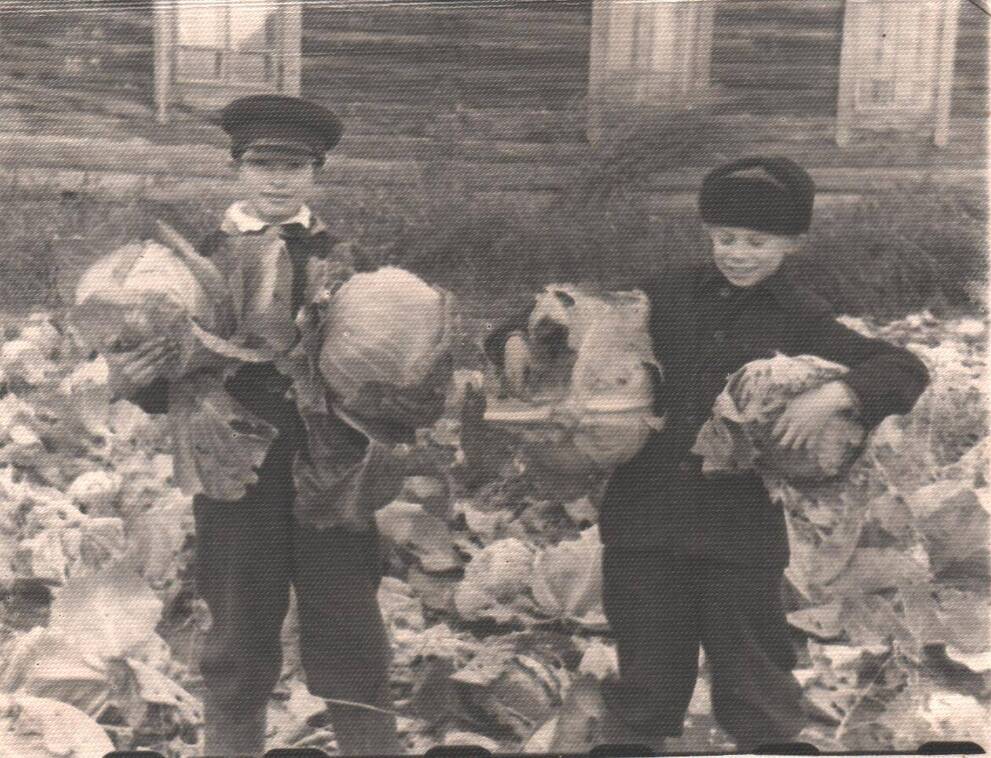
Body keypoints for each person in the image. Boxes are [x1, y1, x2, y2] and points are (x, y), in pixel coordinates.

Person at [485, 156, 930, 751]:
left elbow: (904, 368)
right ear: (707, 233)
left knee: (756, 688)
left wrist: (835, 393)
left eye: (756, 241)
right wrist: (515, 337)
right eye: (725, 238)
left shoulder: (801, 314)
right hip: (643, 522)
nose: (738, 253)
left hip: (738, 534)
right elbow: (565, 306)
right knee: (644, 684)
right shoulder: (664, 291)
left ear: (793, 242)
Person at [107, 95, 441, 756]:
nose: (277, 180)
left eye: (294, 166)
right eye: (263, 164)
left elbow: (395, 354)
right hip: (234, 479)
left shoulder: (351, 260)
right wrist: (142, 374)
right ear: (237, 168)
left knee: (352, 638)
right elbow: (158, 385)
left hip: (334, 474)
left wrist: (401, 397)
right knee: (235, 643)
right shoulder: (192, 261)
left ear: (316, 173)